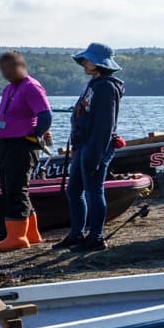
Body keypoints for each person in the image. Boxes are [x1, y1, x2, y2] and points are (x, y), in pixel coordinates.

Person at [57, 42, 126, 251]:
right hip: (84, 145)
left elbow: (105, 125)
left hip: (96, 147)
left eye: (87, 59)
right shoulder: (95, 84)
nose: (84, 63)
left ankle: (96, 237)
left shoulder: (106, 87)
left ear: (98, 63)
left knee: (93, 192)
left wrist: (95, 156)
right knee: (74, 190)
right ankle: (76, 234)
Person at [0, 50, 53, 251]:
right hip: (7, 144)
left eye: (10, 67)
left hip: (22, 144)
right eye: (3, 69)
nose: (6, 72)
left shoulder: (31, 86)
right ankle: (31, 234)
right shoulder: (9, 89)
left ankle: (16, 237)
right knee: (11, 188)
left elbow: (45, 116)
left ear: (21, 66)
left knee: (16, 189)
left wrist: (35, 135)